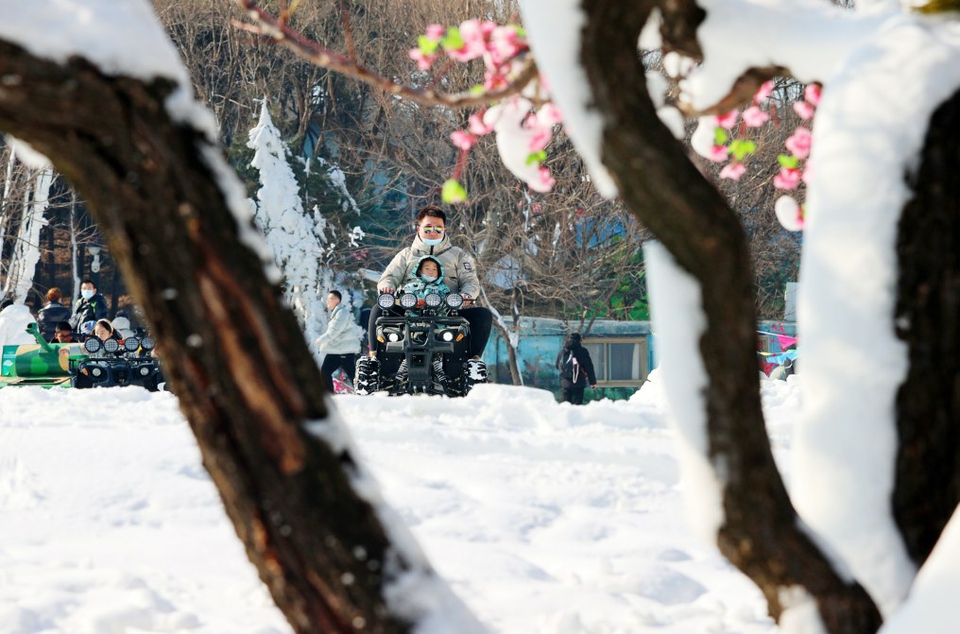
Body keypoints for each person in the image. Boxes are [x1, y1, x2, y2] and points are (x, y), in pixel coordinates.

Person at [368, 205, 492, 378]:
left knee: (483, 315)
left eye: (437, 228)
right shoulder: (406, 255)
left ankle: (472, 363)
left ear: (444, 229)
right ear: (419, 229)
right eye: (428, 228)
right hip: (409, 310)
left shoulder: (458, 255)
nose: (432, 232)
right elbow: (388, 276)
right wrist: (387, 288)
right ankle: (374, 359)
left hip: (447, 312)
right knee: (379, 310)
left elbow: (471, 281)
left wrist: (466, 295)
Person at [314, 290, 361, 394]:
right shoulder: (338, 313)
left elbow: (333, 331)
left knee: (351, 375)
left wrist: (320, 340)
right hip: (338, 349)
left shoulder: (341, 313)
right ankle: (329, 394)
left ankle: (363, 394)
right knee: (327, 372)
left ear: (337, 300)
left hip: (342, 351)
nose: (328, 302)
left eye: (330, 299)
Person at [556, 332, 597, 405]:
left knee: (565, 406)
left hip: (565, 383)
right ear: (579, 340)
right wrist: (592, 382)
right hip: (578, 383)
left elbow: (557, 366)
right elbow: (589, 367)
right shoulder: (583, 351)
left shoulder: (562, 352)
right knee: (577, 407)